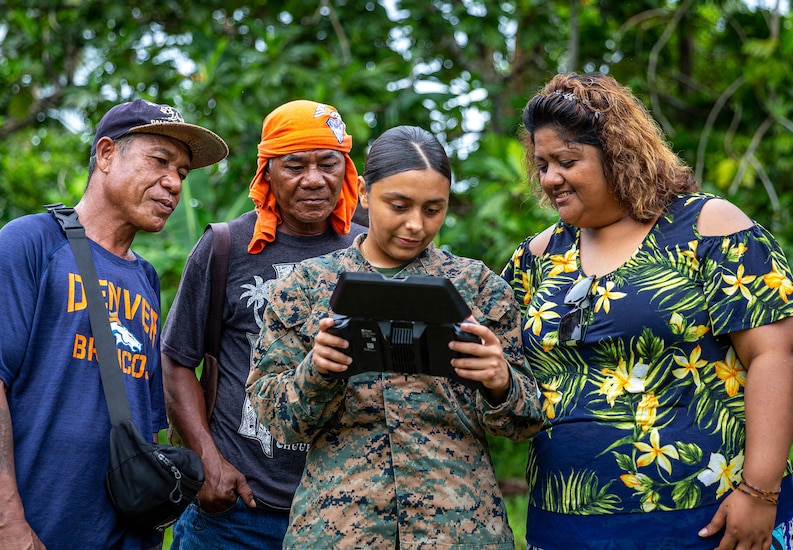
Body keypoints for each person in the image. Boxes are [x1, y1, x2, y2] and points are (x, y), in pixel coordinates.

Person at [500, 72, 793, 549]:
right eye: (543, 164)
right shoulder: (536, 257)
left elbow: (775, 355)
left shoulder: (707, 227)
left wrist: (760, 491)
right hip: (563, 523)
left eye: (567, 161)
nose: (550, 178)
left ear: (618, 155)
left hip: (708, 516)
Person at [246, 125, 545, 549]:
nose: (415, 225)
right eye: (399, 205)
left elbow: (527, 420)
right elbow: (276, 421)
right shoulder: (307, 286)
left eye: (433, 209)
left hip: (460, 529)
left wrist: (501, 382)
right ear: (365, 193)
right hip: (339, 530)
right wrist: (316, 371)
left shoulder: (478, 286)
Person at [0, 98, 229, 549]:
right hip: (29, 530)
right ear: (107, 155)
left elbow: (149, 425)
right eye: (160, 161)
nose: (173, 183)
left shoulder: (146, 278)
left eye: (183, 174)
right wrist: (4, 519)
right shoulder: (31, 243)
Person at [161, 99, 366, 549]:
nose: (314, 180)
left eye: (328, 163)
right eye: (294, 165)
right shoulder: (226, 246)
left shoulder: (371, 249)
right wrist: (209, 461)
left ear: (347, 170)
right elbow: (176, 361)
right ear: (266, 173)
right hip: (235, 516)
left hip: (343, 515)